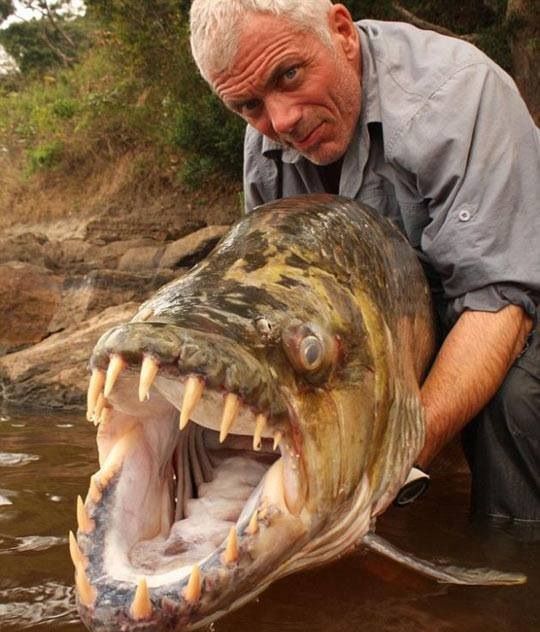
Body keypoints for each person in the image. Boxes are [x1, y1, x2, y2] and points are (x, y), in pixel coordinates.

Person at [189, 0, 540, 527]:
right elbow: (279, 305)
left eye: (289, 74)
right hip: (403, 317)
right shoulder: (263, 144)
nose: (281, 121)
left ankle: (513, 571)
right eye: (248, 106)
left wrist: (383, 467)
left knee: (513, 404)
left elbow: (500, 306)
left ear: (341, 32)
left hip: (513, 293)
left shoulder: (459, 96)